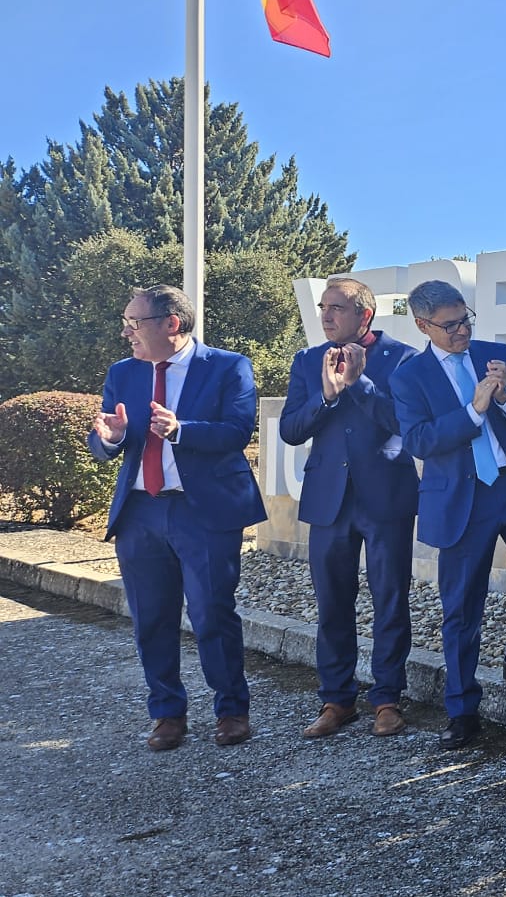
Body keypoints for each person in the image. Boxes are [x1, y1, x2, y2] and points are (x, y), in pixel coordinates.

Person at [88, 285, 267, 751]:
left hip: (202, 512)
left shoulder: (228, 366)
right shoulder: (122, 372)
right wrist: (111, 438)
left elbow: (236, 431)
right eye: (125, 322)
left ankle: (231, 710)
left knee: (212, 614)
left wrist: (181, 429)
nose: (127, 332)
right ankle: (167, 714)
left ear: (171, 324)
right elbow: (105, 442)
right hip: (140, 512)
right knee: (151, 618)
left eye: (135, 323)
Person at [391, 280, 506, 749]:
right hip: (462, 501)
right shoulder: (409, 377)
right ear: (423, 326)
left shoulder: (493, 353)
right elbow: (420, 441)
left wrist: (505, 396)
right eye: (451, 325)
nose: (462, 330)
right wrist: (473, 410)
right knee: (462, 608)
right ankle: (462, 708)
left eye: (466, 319)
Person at [278, 277, 421, 739]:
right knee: (332, 604)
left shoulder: (403, 359)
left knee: (390, 601)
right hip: (329, 499)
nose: (325, 315)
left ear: (365, 315)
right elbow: (291, 430)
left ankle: (386, 699)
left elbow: (405, 424)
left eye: (336, 308)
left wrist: (358, 386)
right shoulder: (306, 361)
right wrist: (328, 395)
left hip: (386, 497)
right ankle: (336, 700)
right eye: (323, 307)